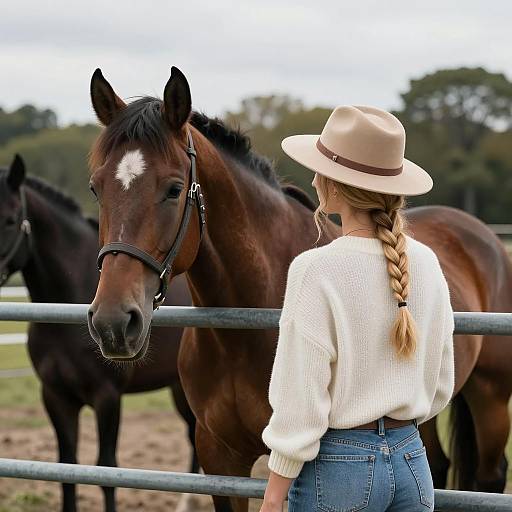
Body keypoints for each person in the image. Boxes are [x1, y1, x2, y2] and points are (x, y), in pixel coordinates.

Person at [259, 105, 455, 511]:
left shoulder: (315, 270)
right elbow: (440, 383)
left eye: (318, 170)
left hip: (338, 469)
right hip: (413, 461)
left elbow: (301, 395)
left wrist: (274, 493)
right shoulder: (428, 264)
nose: (312, 178)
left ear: (334, 185)